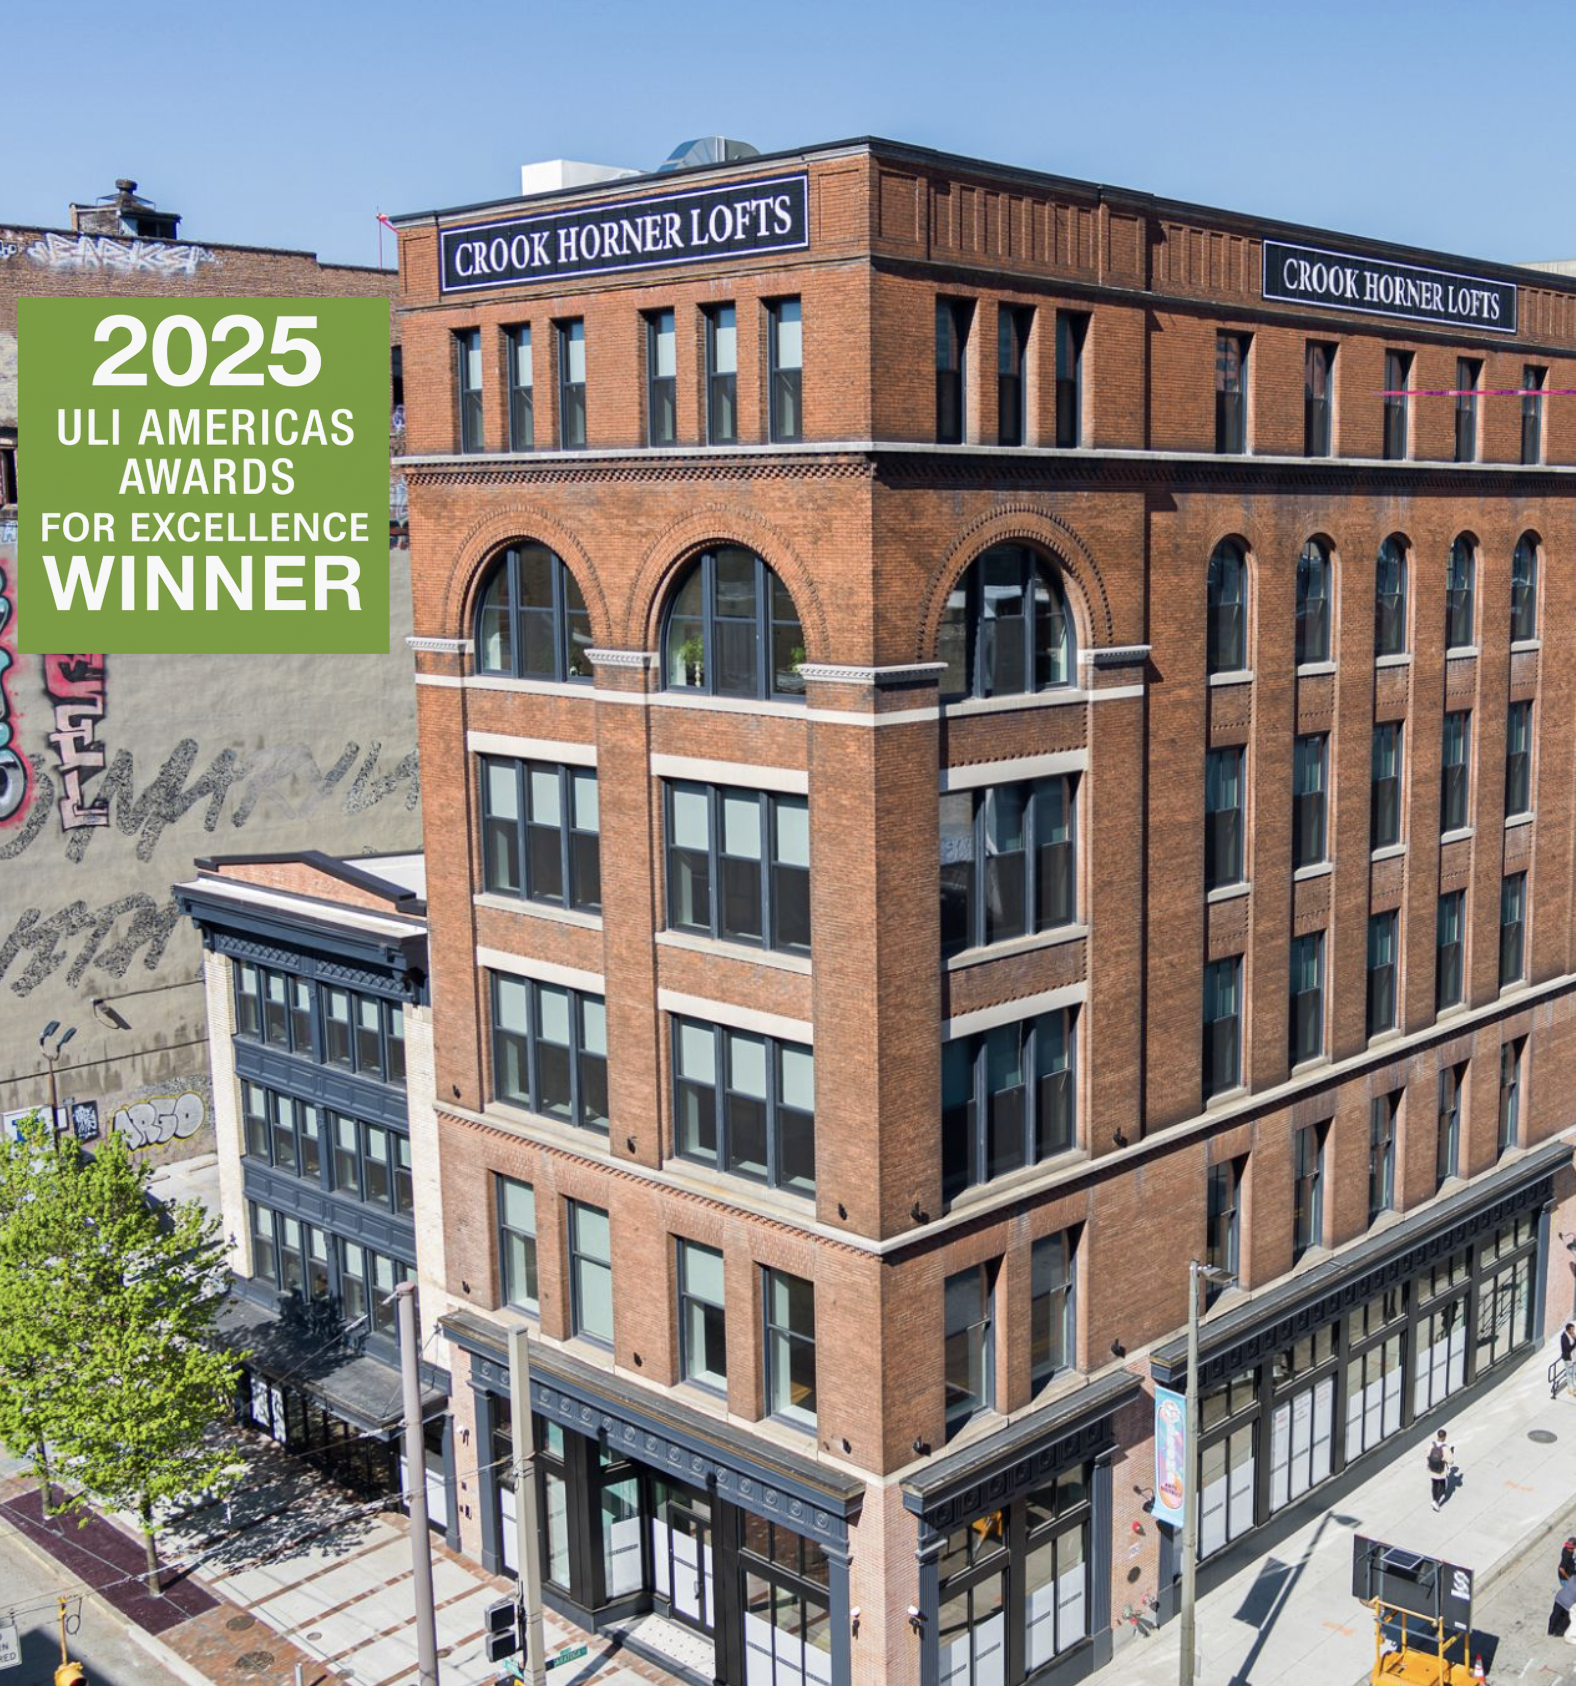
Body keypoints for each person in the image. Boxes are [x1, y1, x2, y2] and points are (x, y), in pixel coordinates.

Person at [1426, 1430, 1453, 1511]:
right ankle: (1436, 1501)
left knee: (1434, 1485)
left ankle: (1435, 1501)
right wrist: (1451, 1453)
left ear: (1437, 1436)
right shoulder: (1445, 1448)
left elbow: (1428, 1455)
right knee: (1442, 1487)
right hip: (1440, 1471)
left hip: (1432, 1469)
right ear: (1444, 1437)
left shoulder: (1431, 1444)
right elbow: (1450, 1461)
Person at [1562, 1323, 1576, 1398]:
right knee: (1570, 1374)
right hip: (1568, 1359)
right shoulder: (1564, 1337)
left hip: (1574, 1358)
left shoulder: (1572, 1335)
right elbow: (1568, 1348)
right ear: (1568, 1330)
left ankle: (1573, 1389)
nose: (1573, 1330)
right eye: (1572, 1329)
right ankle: (1571, 1389)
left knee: (1574, 1374)